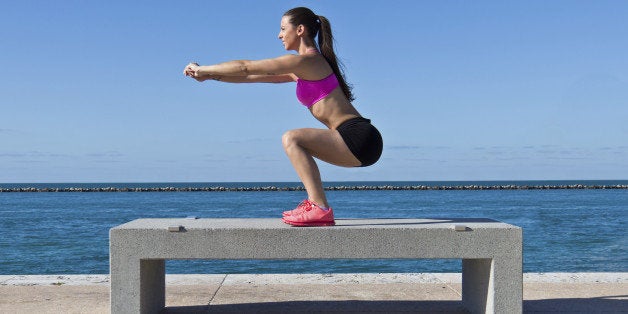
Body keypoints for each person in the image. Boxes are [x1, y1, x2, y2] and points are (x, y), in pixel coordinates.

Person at [183, 7, 382, 226]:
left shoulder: (307, 62)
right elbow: (250, 76)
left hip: (358, 136)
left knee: (292, 138)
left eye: (282, 29)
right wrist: (210, 76)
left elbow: (245, 66)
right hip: (357, 141)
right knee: (293, 139)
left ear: (299, 30)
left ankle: (319, 207)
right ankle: (317, 206)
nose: (279, 35)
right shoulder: (301, 69)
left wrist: (202, 69)